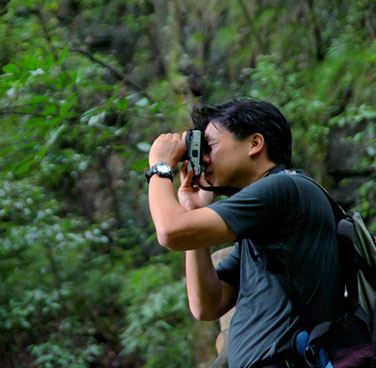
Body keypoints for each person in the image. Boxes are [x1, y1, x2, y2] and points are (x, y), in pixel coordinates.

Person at [146, 98, 345, 367]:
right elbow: (208, 304)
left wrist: (160, 167)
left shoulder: (283, 189)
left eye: (210, 146)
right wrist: (193, 211)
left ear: (255, 143)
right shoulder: (269, 219)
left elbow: (170, 232)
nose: (204, 159)